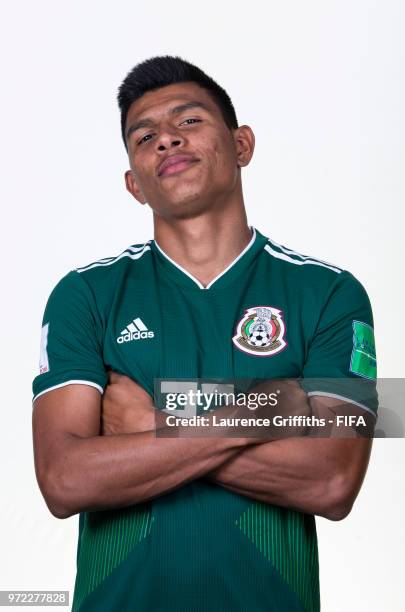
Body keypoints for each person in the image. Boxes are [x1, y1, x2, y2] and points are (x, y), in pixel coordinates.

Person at [32, 56, 378, 612]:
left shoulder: (331, 293)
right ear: (133, 184)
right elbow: (64, 480)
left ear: (242, 145)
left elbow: (332, 481)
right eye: (145, 136)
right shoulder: (85, 295)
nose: (166, 139)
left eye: (188, 121)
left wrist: (153, 425)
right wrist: (272, 407)